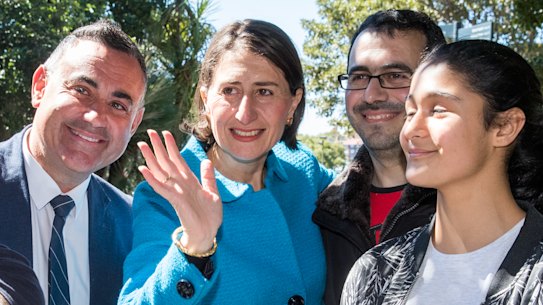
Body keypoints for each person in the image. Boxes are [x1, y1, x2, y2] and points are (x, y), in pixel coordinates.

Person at [119, 19, 335, 304]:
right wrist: (194, 248)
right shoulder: (166, 192)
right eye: (230, 91)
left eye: (264, 92)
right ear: (206, 99)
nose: (245, 114)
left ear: (293, 104)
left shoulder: (304, 171)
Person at [341, 40, 543, 304]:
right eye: (410, 112)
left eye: (437, 110)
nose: (411, 129)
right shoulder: (374, 273)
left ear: (504, 126)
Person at [0, 20, 147, 305]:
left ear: (134, 123)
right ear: (40, 87)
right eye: (82, 90)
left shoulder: (135, 228)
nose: (95, 117)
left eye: (118, 105)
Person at [311, 9, 446, 304]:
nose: (371, 94)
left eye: (394, 75)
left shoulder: (477, 202)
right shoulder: (323, 214)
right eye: (359, 77)